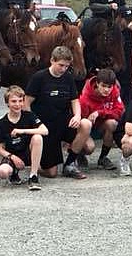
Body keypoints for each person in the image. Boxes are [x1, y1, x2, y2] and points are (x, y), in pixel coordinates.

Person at [25, 46, 91, 179]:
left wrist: (77, 115)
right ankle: (35, 164)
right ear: (52, 60)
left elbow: (74, 100)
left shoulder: (68, 77)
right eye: (61, 65)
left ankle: (70, 164)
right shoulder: (39, 77)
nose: (63, 69)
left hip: (63, 121)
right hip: (45, 126)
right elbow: (26, 104)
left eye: (66, 66)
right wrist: (35, 123)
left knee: (86, 127)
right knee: (52, 173)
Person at [0, 86, 46, 191]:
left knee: (37, 137)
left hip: (29, 153)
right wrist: (13, 157)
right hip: (13, 154)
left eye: (20, 101)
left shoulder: (29, 116)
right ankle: (14, 172)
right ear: (7, 103)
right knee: (2, 172)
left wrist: (22, 131)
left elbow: (45, 130)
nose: (17, 104)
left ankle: (33, 176)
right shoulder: (1, 123)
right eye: (13, 101)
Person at [79, 69, 125, 170]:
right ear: (97, 84)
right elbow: (79, 122)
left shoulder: (114, 91)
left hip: (102, 123)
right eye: (103, 86)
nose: (107, 90)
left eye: (109, 87)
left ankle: (103, 158)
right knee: (89, 148)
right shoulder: (85, 98)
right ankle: (79, 154)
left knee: (112, 124)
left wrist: (100, 112)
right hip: (87, 125)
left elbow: (120, 111)